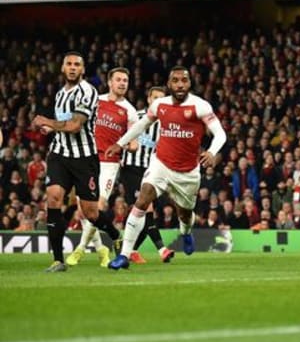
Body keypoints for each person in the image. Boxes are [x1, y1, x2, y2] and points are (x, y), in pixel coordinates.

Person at [105, 66, 227, 270]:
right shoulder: (160, 105)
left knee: (185, 213)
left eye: (184, 80)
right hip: (160, 164)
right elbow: (141, 125)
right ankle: (124, 255)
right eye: (175, 81)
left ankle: (186, 232)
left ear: (189, 83)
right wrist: (120, 143)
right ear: (169, 84)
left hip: (188, 172)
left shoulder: (200, 106)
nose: (180, 85)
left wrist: (212, 151)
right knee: (142, 200)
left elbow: (220, 133)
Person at [30, 51, 122, 272]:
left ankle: (115, 235)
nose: (72, 68)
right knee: (53, 198)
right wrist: (50, 128)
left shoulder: (87, 91)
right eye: (69, 64)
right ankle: (58, 260)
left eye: (76, 65)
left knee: (90, 212)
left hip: (84, 158)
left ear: (83, 69)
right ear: (63, 68)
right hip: (59, 154)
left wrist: (47, 121)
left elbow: (74, 125)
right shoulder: (60, 94)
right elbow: (62, 124)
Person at [65, 67, 138, 268]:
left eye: (125, 80)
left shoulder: (130, 111)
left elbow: (134, 143)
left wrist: (125, 146)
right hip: (86, 159)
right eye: (119, 80)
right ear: (110, 82)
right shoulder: (96, 101)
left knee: (98, 206)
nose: (122, 83)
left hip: (109, 163)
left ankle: (80, 249)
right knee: (85, 211)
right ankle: (102, 250)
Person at [121, 86, 175, 264]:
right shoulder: (136, 116)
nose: (158, 101)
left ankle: (131, 250)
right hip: (131, 169)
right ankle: (162, 250)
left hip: (150, 171)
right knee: (146, 210)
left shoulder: (165, 124)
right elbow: (121, 136)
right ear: (149, 99)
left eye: (162, 99)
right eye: (155, 98)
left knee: (144, 215)